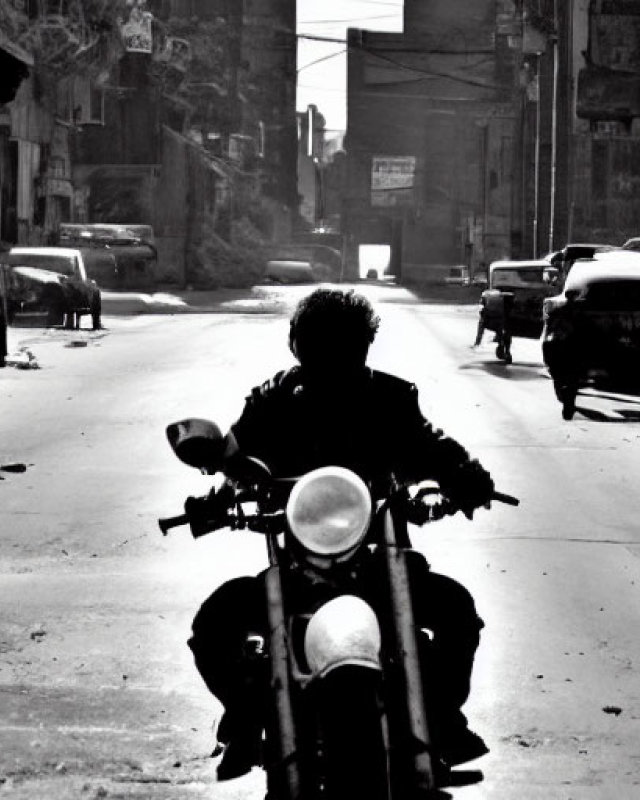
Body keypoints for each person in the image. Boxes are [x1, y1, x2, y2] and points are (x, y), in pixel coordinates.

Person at [188, 288, 497, 781]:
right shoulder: (273, 400)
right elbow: (238, 457)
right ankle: (247, 719)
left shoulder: (391, 399)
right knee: (213, 629)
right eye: (321, 346)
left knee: (456, 613)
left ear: (363, 348)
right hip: (297, 565)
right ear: (300, 347)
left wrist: (466, 473)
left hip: (377, 556)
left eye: (345, 346)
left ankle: (441, 721)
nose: (334, 359)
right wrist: (218, 495)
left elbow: (430, 443)